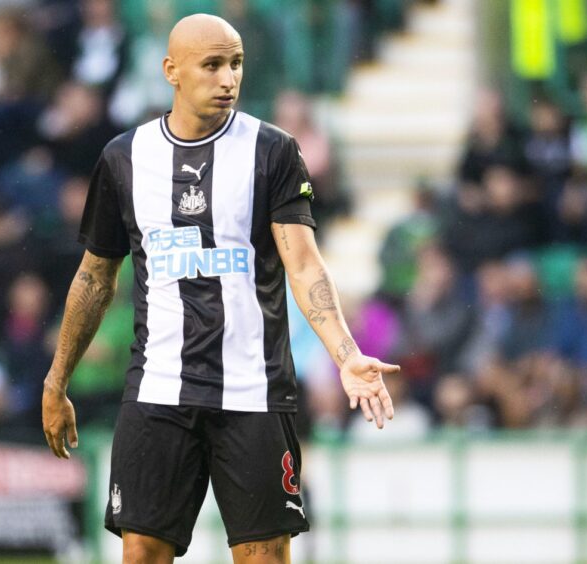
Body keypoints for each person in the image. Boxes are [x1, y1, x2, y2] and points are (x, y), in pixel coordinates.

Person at [41, 14, 399, 564]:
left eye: (235, 64)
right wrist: (57, 377)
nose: (227, 78)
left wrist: (346, 355)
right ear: (172, 71)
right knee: (140, 553)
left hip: (253, 392)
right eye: (211, 65)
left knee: (263, 557)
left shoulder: (274, 151)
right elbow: (95, 277)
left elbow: (304, 265)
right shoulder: (123, 159)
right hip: (158, 389)